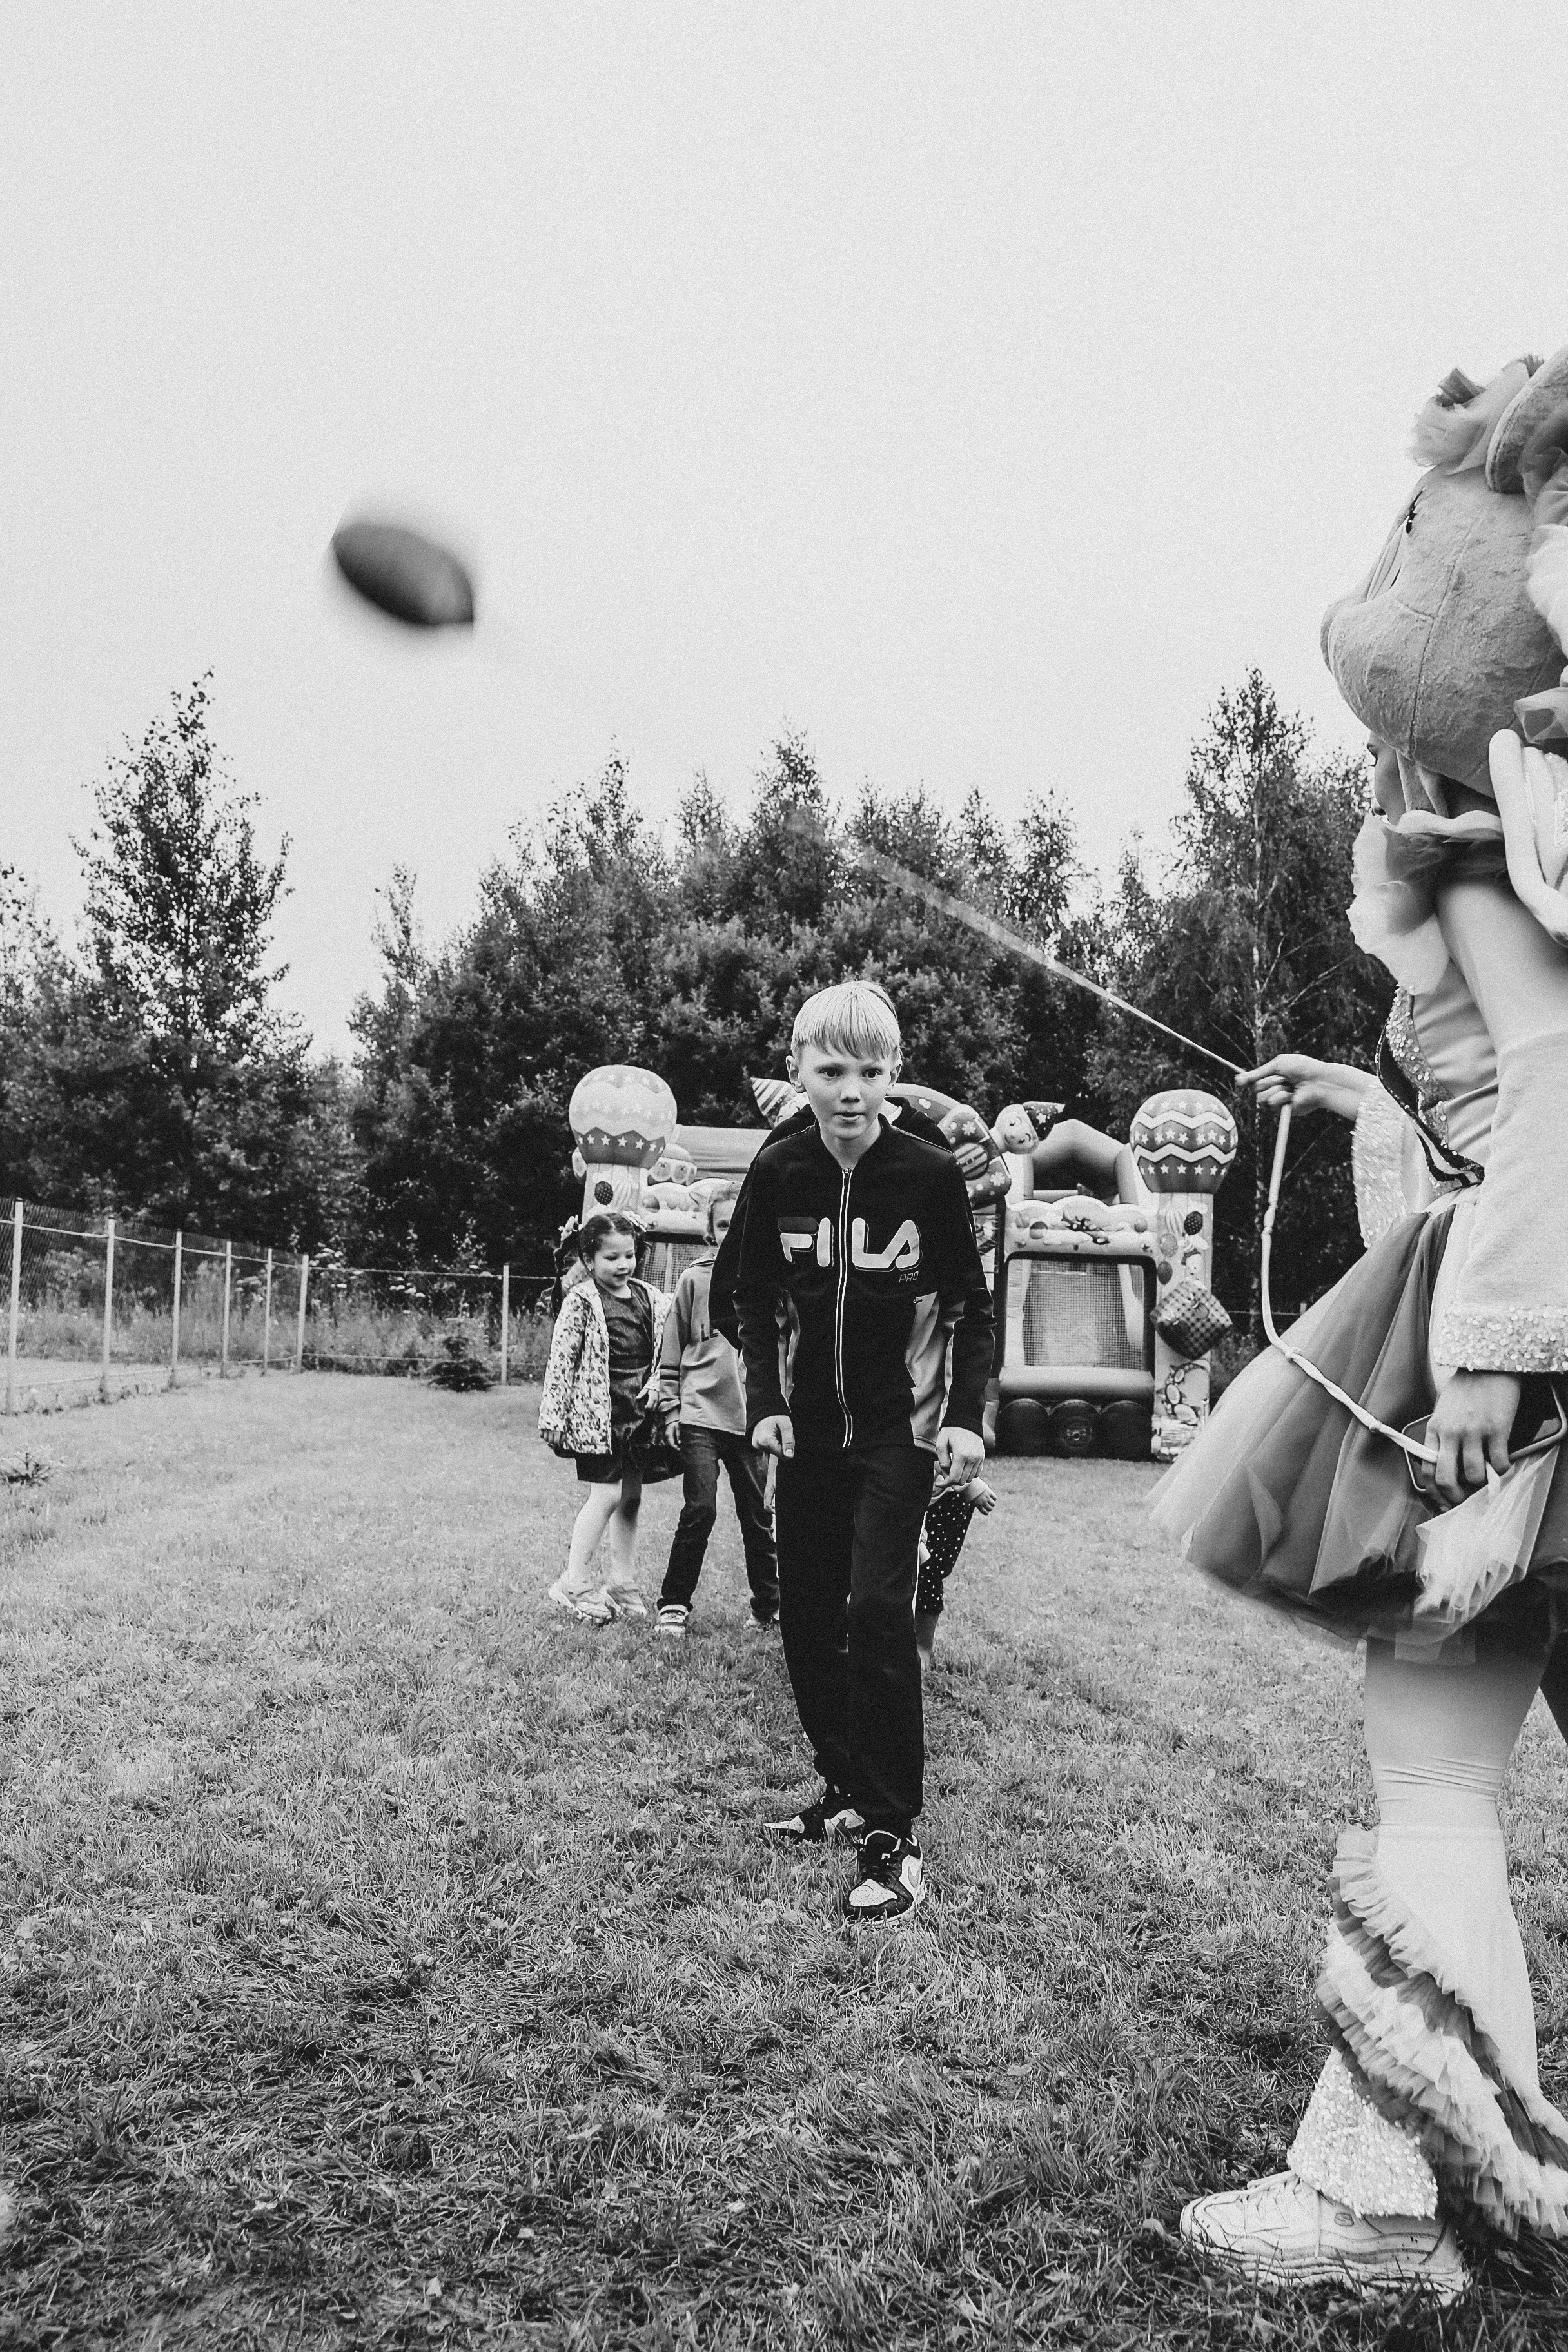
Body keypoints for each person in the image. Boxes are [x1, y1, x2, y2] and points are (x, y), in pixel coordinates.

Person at [1160, 343, 1568, 2306]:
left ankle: (1383, 2203)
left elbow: (1553, 1092)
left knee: (1430, 1779)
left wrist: (1494, 1350)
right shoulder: (1516, 859)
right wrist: (1373, 1098)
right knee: (1446, 1766)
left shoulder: (1493, 860)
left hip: (1520, 1376)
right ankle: (1404, 2177)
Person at [732, 979, 995, 1923]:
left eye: (871, 1071)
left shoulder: (927, 1175)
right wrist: (763, 1401)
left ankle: (893, 1835)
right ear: (798, 1069)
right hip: (806, 1433)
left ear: (894, 1076)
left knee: (879, 1610)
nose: (850, 1089)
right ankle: (841, 1790)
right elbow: (748, 1297)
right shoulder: (779, 1170)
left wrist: (964, 1416)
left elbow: (972, 1306)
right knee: (803, 1614)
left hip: (898, 1433)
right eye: (831, 1068)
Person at [654, 1186, 780, 1638]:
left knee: (757, 1516)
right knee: (700, 1509)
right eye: (724, 1224)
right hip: (699, 1416)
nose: (732, 1234)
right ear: (710, 1230)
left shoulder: (768, 1282)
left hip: (751, 1422)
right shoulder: (694, 1281)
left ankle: (769, 1606)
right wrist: (670, 1410)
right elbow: (670, 1352)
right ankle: (673, 1603)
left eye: (739, 1224)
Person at [538, 1211, 671, 1626]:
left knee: (631, 1498)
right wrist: (553, 1414)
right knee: (607, 1495)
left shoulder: (653, 1297)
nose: (623, 1265)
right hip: (599, 1415)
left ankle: (622, 1582)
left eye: (629, 1255)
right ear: (589, 1258)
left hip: (639, 1414)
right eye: (612, 1257)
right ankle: (573, 1581)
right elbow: (562, 1360)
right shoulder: (582, 1300)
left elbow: (665, 1353)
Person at [914, 1475, 997, 1672]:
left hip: (946, 1495)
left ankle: (922, 1648)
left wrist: (971, 1486)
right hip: (905, 1489)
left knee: (929, 1571)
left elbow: (943, 1447)